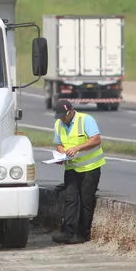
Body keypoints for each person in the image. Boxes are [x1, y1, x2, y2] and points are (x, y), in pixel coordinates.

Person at [51, 99, 106, 244]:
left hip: (90, 168)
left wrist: (78, 148)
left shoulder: (85, 120)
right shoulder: (58, 123)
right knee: (70, 200)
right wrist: (62, 153)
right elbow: (58, 144)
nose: (62, 119)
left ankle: (82, 234)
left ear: (70, 111)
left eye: (63, 115)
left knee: (86, 201)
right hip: (71, 167)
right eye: (59, 116)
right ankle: (67, 232)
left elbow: (96, 140)